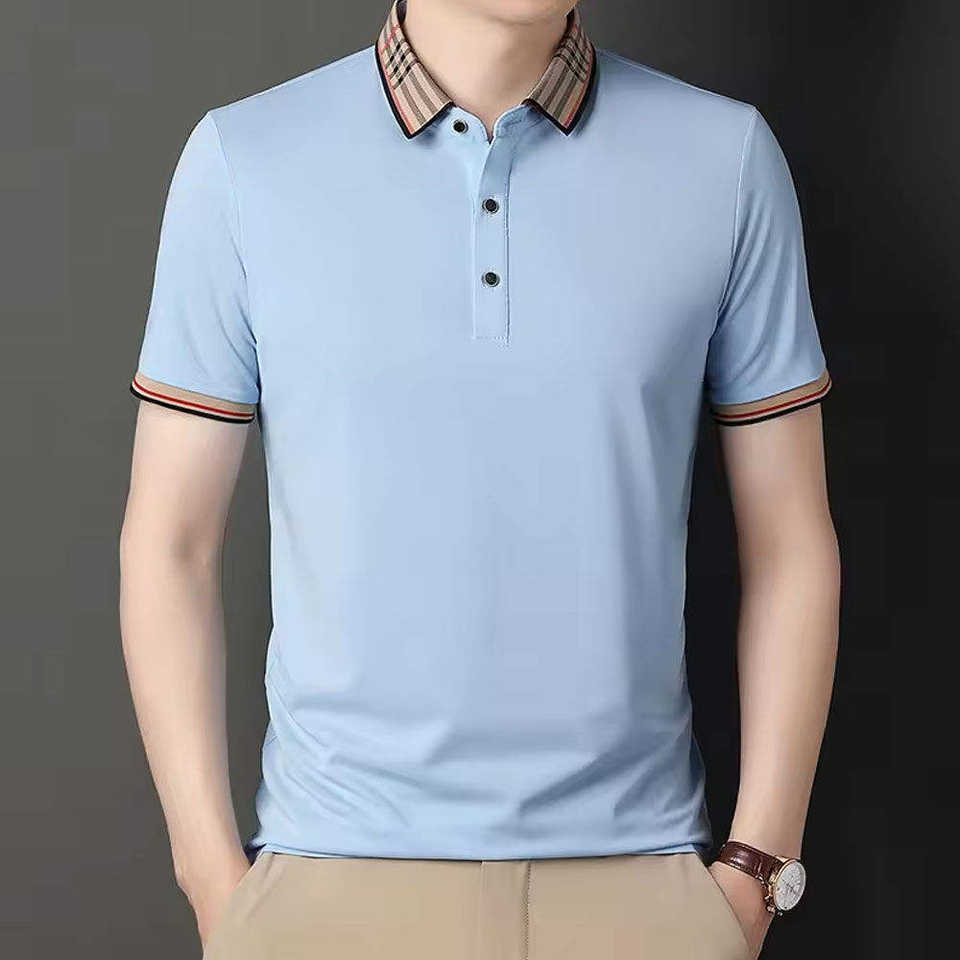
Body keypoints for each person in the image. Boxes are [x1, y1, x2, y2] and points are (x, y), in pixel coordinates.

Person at [118, 2, 840, 958]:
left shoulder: (726, 159)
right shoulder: (243, 161)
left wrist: (756, 869)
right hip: (326, 891)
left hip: (645, 890)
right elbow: (170, 543)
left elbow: (791, 543)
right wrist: (215, 883)